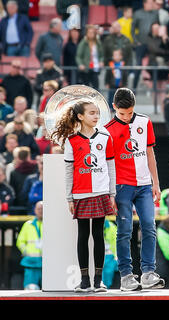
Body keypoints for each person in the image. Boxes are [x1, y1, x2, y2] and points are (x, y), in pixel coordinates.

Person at [50, 101, 116, 293]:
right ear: (80, 116)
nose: (96, 117)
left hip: (101, 192)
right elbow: (69, 171)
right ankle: (84, 280)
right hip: (80, 193)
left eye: (97, 113)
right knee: (82, 235)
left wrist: (112, 193)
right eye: (92, 113)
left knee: (98, 235)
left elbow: (110, 166)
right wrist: (69, 197)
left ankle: (99, 280)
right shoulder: (71, 141)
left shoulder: (105, 137)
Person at [104, 88, 164, 291]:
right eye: (122, 114)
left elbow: (150, 153)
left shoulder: (145, 121)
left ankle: (148, 272)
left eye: (130, 113)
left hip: (145, 184)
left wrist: (156, 183)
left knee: (149, 226)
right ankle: (126, 276)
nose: (127, 117)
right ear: (114, 108)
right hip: (122, 186)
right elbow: (107, 164)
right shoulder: (107, 129)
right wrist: (110, 192)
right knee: (124, 231)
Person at [131, 0, 160, 89]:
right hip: (141, 43)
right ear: (144, 3)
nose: (152, 5)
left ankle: (155, 89)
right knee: (138, 65)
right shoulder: (137, 13)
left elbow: (157, 28)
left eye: (152, 3)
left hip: (151, 43)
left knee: (154, 64)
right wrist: (136, 41)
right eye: (150, 3)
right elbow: (132, 30)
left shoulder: (155, 14)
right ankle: (134, 88)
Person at [16, 201, 43, 290]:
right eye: (39, 209)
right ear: (35, 210)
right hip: (31, 263)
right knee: (30, 289)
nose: (41, 211)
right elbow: (20, 241)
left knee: (49, 292)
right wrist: (26, 251)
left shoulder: (50, 225)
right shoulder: (28, 225)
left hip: (46, 263)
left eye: (42, 209)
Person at [76, 25, 103, 90]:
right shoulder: (83, 43)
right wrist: (80, 64)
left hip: (95, 67)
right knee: (86, 88)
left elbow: (101, 55)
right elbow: (78, 56)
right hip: (86, 68)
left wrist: (101, 61)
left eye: (92, 32)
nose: (91, 34)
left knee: (96, 87)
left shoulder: (98, 42)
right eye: (89, 32)